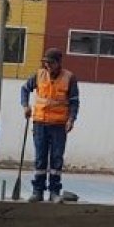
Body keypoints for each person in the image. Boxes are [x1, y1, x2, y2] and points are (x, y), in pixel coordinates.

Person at [19, 47, 79, 203]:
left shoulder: (69, 78)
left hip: (59, 125)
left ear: (58, 63)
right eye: (45, 63)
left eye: (50, 63)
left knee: (56, 159)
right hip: (40, 123)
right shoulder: (39, 75)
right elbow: (25, 89)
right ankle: (37, 191)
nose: (47, 66)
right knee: (40, 159)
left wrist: (71, 119)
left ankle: (54, 192)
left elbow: (74, 102)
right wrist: (25, 106)